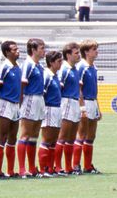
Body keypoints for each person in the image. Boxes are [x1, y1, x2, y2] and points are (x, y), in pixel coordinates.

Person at [0, 41, 22, 179]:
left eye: (17, 49)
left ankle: (10, 170)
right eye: (14, 49)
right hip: (5, 103)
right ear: (7, 52)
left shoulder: (18, 67)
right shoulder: (5, 67)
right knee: (3, 137)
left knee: (13, 138)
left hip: (15, 105)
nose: (18, 51)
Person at [18, 39, 46, 177]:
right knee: (25, 134)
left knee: (34, 136)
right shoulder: (27, 64)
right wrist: (20, 103)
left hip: (39, 99)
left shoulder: (39, 66)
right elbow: (21, 84)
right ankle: (22, 169)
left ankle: (32, 167)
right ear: (33, 50)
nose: (44, 51)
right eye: (41, 48)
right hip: (30, 99)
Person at [74, 39, 101, 174]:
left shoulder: (93, 67)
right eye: (94, 49)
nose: (97, 51)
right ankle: (75, 165)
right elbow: (78, 88)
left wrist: (98, 108)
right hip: (84, 102)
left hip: (93, 102)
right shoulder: (81, 67)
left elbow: (95, 90)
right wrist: (82, 107)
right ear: (86, 52)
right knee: (81, 134)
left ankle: (88, 166)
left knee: (91, 136)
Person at [54, 42, 82, 175]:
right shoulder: (64, 69)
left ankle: (68, 167)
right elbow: (58, 87)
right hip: (66, 102)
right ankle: (57, 167)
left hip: (75, 103)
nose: (79, 55)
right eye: (76, 53)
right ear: (68, 55)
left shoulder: (75, 69)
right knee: (62, 136)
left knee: (71, 138)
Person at [39, 51, 63, 176]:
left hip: (57, 109)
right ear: (51, 62)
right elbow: (42, 93)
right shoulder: (46, 75)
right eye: (59, 61)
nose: (61, 63)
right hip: (49, 109)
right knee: (46, 139)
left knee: (54, 140)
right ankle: (43, 169)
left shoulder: (55, 76)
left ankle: (51, 168)